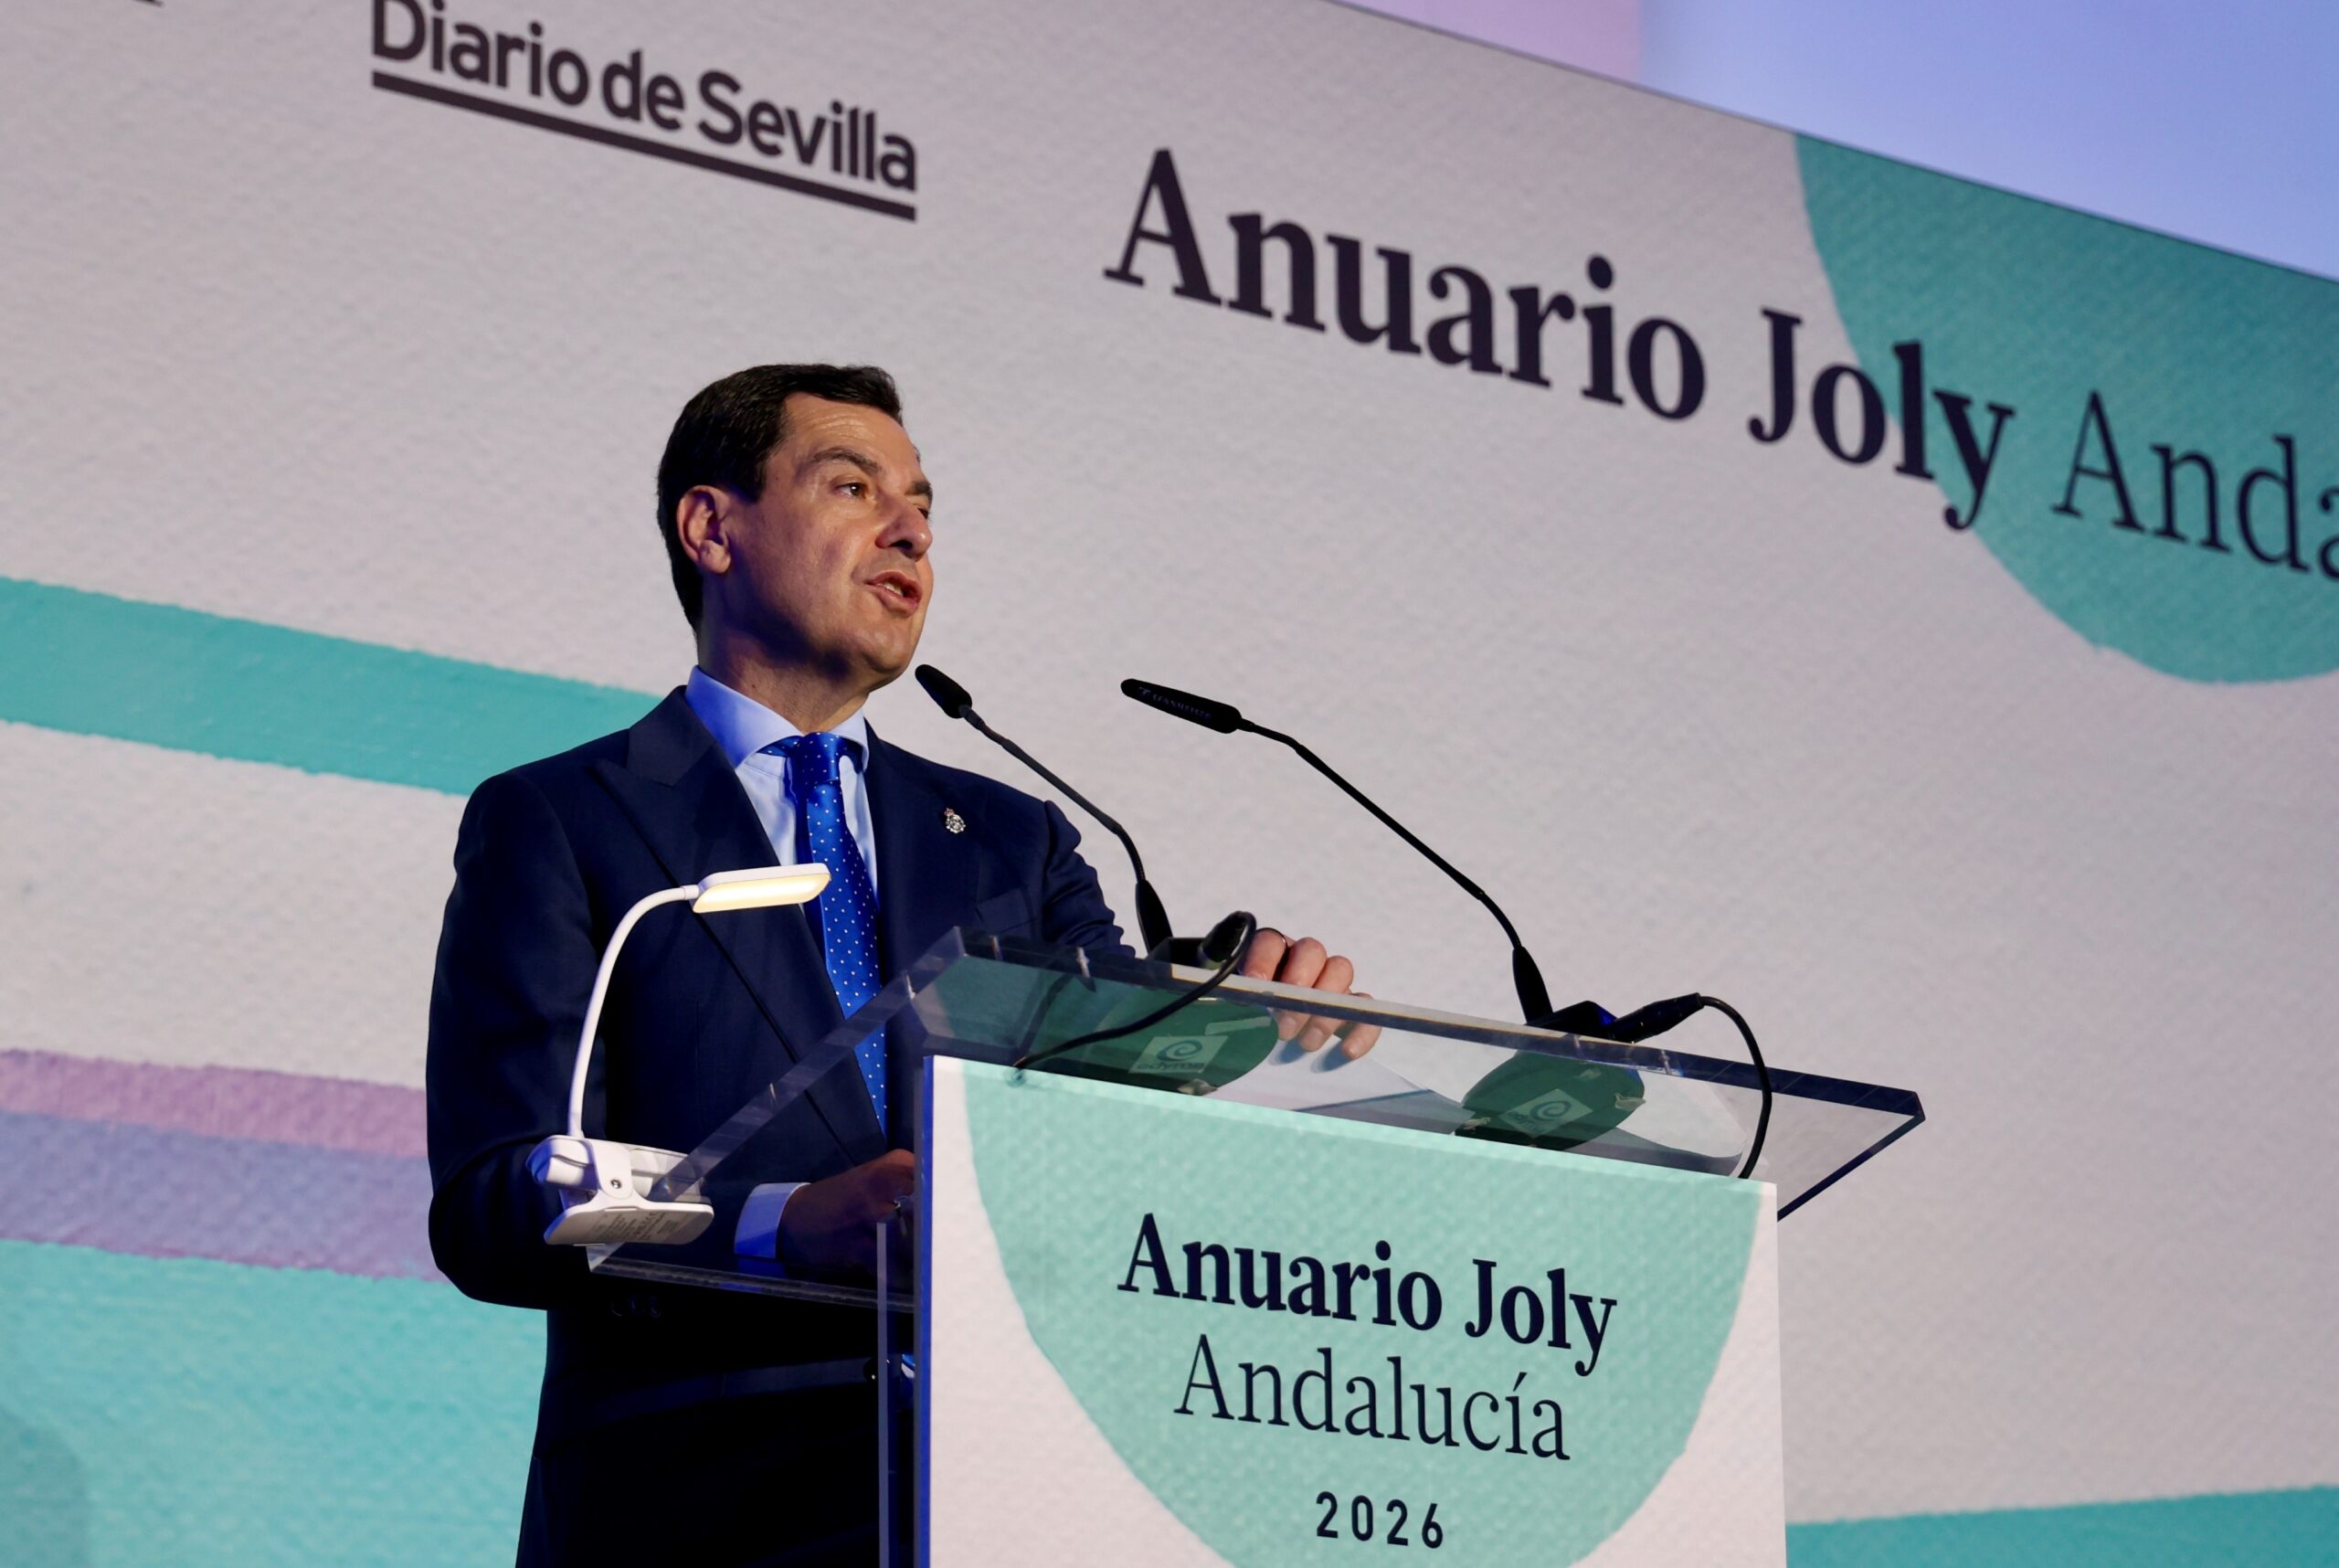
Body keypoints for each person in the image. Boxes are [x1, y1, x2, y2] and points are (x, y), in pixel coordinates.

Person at [426, 364, 1370, 1565]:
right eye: (851, 487)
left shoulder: (1017, 842)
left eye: (921, 504)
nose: (911, 530)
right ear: (711, 529)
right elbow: (503, 1197)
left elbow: (1115, 1129)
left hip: (1005, 1495)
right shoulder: (566, 820)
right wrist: (779, 1222)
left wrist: (1241, 1046)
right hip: (699, 1506)